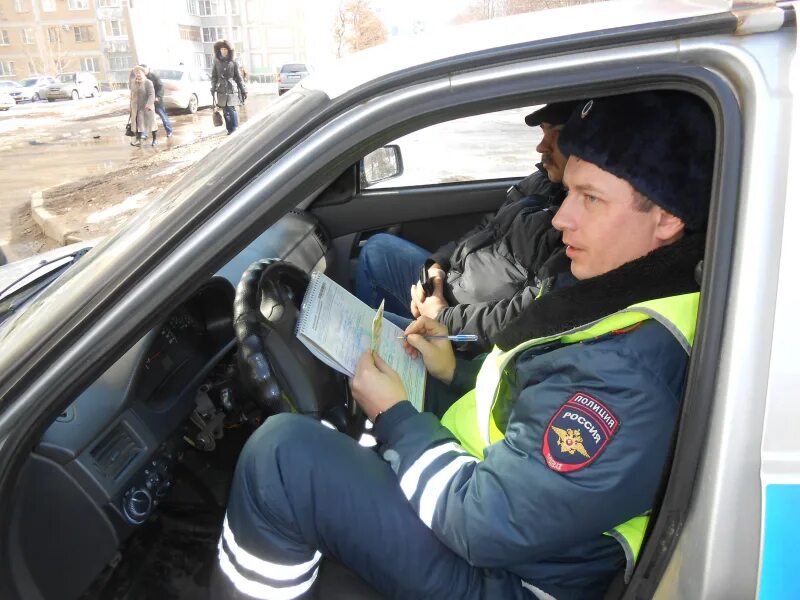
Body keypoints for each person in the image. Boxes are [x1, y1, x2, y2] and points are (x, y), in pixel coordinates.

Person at [212, 91, 715, 599]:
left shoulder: (632, 371)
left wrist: (396, 417)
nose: (562, 218)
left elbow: (485, 523)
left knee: (278, 458)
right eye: (570, 194)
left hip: (513, 576)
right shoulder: (612, 289)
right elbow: (534, 393)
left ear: (667, 219)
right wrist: (454, 370)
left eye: (591, 198)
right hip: (505, 516)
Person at [355, 102, 579, 349]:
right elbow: (488, 228)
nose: (541, 146)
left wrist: (442, 318)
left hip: (467, 334)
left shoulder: (579, 224)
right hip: (450, 287)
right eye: (543, 131)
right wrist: (436, 269)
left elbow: (530, 312)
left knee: (358, 331)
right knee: (377, 250)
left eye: (557, 135)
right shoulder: (542, 181)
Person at [211, 40, 247, 135]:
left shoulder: (233, 62)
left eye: (225, 49)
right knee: (225, 111)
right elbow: (214, 76)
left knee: (231, 109)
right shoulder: (216, 62)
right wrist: (213, 88)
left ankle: (235, 127)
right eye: (222, 49)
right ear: (219, 50)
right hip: (221, 89)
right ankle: (229, 129)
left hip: (231, 88)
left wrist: (243, 90)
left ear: (229, 50)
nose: (223, 51)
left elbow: (238, 77)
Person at [141, 64, 173, 139]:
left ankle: (169, 131)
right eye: (141, 70)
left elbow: (160, 87)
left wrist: (158, 96)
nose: (143, 71)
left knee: (163, 116)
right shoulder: (140, 78)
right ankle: (144, 134)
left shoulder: (154, 76)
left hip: (156, 101)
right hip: (147, 101)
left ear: (148, 69)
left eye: (144, 69)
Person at [128, 66, 157, 147]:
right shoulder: (134, 83)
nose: (137, 74)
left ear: (143, 73)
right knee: (138, 124)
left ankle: (155, 139)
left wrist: (149, 104)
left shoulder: (148, 82)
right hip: (137, 107)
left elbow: (152, 95)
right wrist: (131, 106)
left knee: (152, 125)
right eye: (136, 73)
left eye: (139, 72)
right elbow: (132, 94)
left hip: (147, 107)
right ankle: (139, 140)